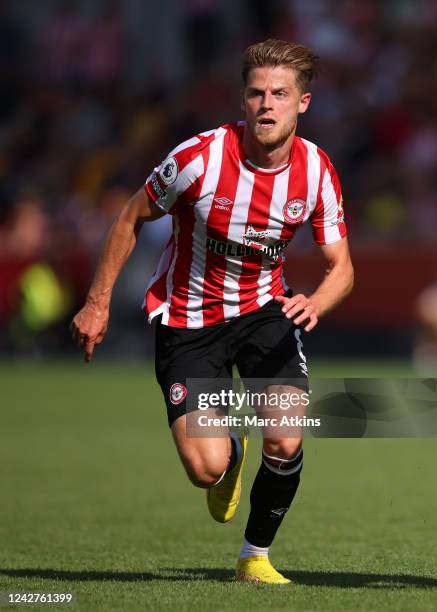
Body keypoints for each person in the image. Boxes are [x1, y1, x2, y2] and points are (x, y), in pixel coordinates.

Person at [70, 39, 354, 584]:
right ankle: (228, 448)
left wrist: (316, 301)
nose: (267, 104)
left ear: (304, 103)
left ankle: (255, 556)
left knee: (287, 435)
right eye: (256, 93)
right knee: (207, 469)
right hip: (188, 321)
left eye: (280, 94)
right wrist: (97, 301)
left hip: (266, 310)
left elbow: (341, 266)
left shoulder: (317, 172)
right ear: (242, 100)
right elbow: (131, 215)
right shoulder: (197, 159)